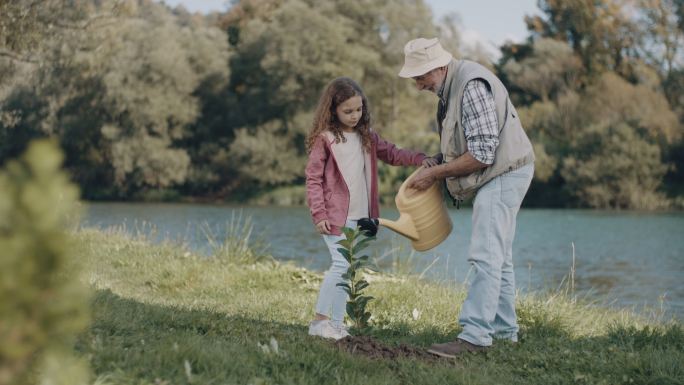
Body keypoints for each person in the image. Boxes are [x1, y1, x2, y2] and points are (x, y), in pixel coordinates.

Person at [398, 38, 535, 357]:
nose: (418, 85)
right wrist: (436, 160)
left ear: (439, 67)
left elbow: (483, 154)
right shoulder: (450, 87)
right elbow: (466, 141)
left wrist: (434, 174)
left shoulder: (471, 86)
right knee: (499, 255)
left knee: (485, 253)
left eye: (420, 77)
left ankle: (475, 336)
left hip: (504, 171)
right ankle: (504, 332)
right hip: (503, 168)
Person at [305, 77, 438, 340]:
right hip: (333, 216)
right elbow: (313, 178)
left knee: (349, 269)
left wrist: (422, 159)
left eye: (359, 109)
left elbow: (394, 153)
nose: (355, 115)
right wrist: (318, 213)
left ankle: (337, 323)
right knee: (341, 265)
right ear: (333, 110)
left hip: (360, 217)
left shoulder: (367, 138)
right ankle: (319, 322)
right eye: (348, 111)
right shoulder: (326, 139)